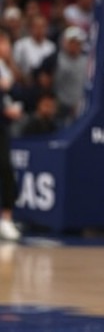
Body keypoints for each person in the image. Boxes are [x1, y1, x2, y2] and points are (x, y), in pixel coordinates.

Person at [0, 27, 24, 241]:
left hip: (3, 127)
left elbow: (17, 92)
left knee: (5, 168)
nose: (8, 48)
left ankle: (6, 219)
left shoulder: (6, 69)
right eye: (5, 43)